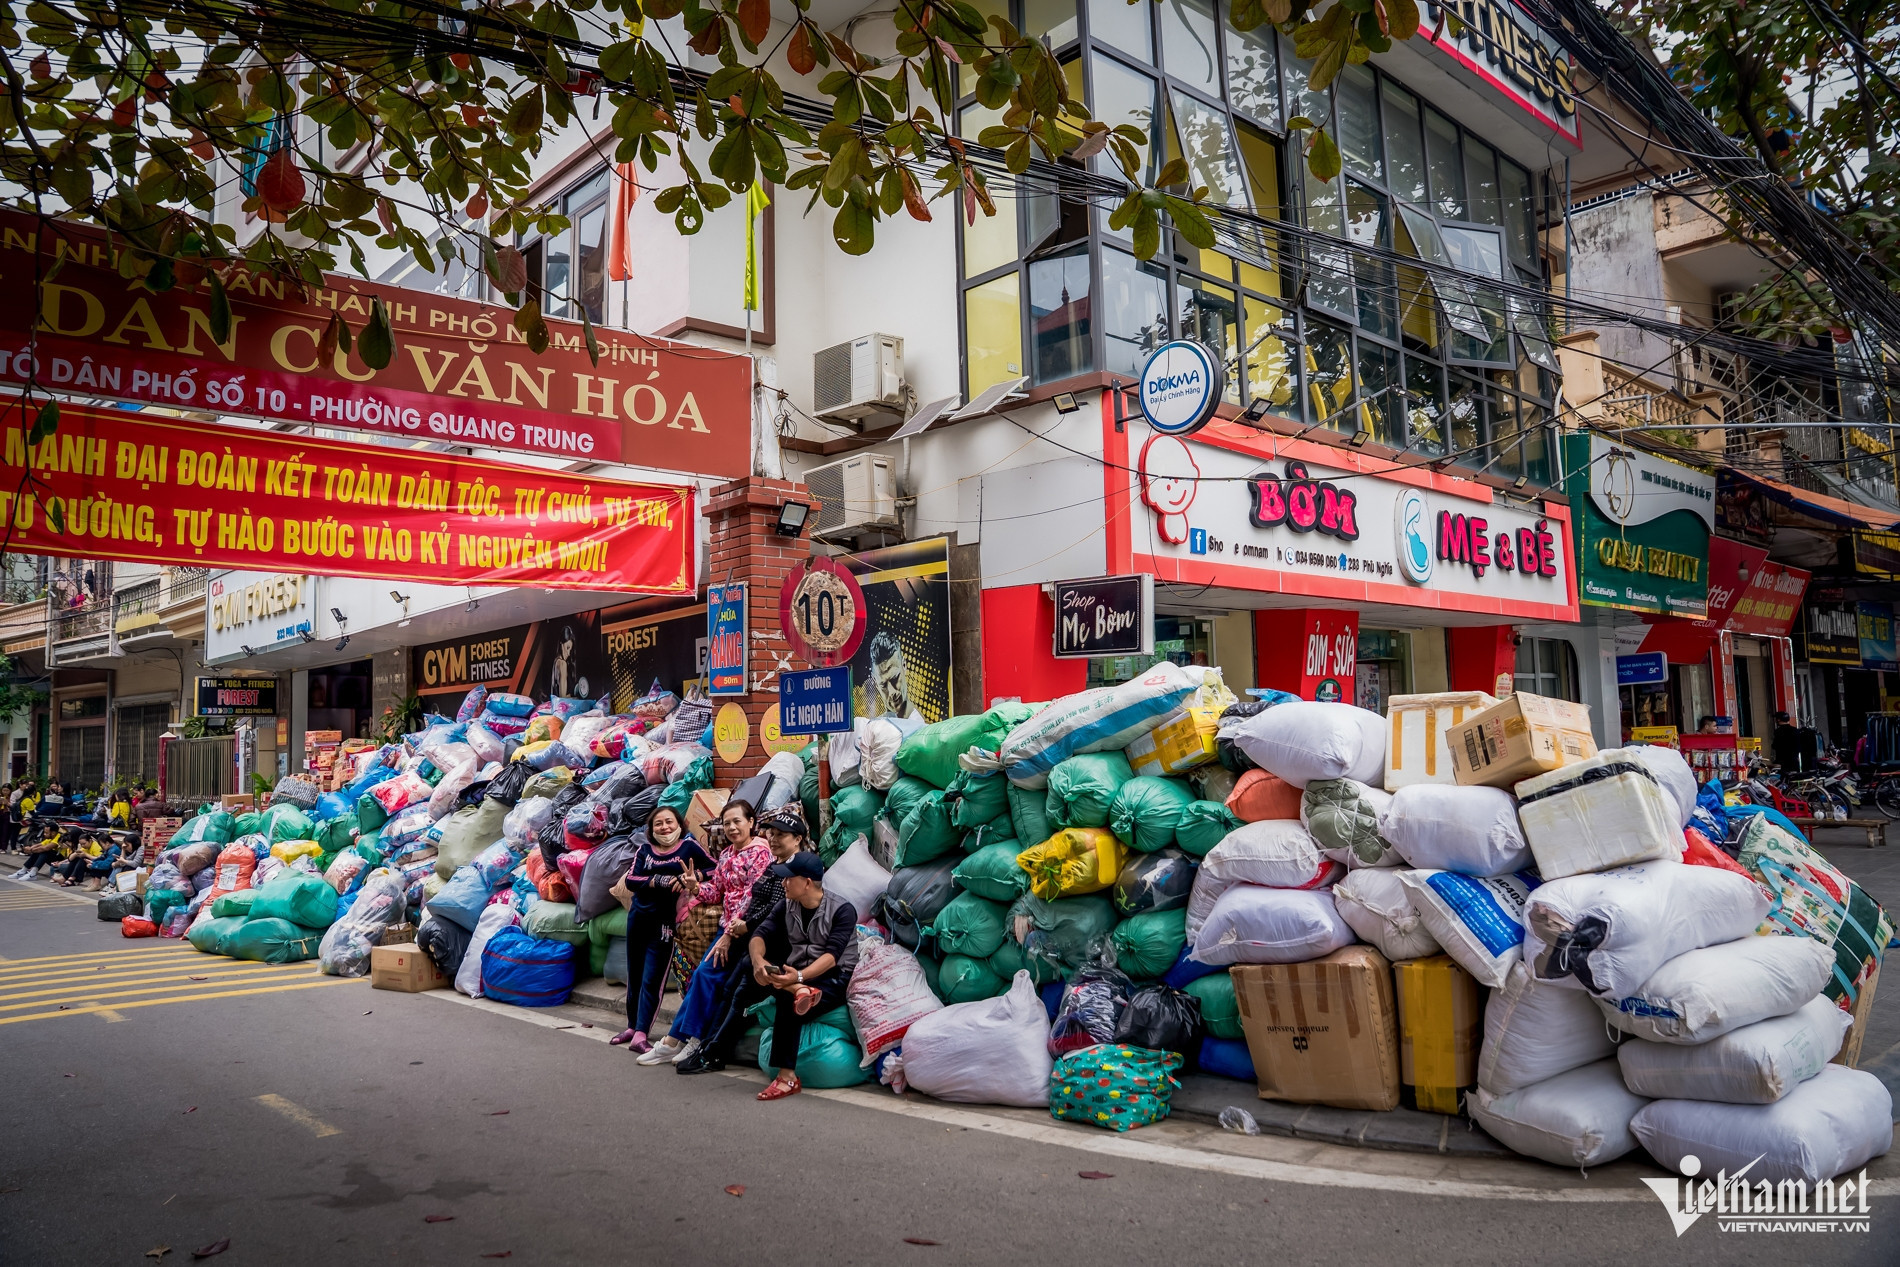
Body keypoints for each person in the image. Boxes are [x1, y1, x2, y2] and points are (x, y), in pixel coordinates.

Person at [685, 851, 860, 1101]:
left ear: (807, 882)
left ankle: (788, 1078)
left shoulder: (842, 910)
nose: (783, 883)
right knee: (752, 981)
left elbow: (832, 956)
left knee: (790, 1005)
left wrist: (799, 976)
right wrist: (759, 964)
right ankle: (716, 1050)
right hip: (798, 975)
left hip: (832, 977)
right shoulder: (786, 904)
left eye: (789, 879)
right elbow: (759, 936)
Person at [637, 801, 777, 1066]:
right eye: (727, 823)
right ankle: (678, 1040)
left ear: (751, 822)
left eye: (737, 821)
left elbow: (753, 898)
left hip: (747, 930)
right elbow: (718, 892)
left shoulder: (759, 853)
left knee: (707, 976)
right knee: (703, 978)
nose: (732, 827)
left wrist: (729, 934)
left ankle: (687, 1040)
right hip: (726, 929)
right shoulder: (726, 855)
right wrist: (697, 887)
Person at [609, 805, 714, 1055]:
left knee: (652, 978)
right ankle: (631, 1027)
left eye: (669, 822)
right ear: (651, 829)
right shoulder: (645, 850)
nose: (664, 827)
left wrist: (693, 877)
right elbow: (632, 879)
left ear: (679, 825)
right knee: (633, 973)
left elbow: (714, 868)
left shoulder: (689, 848)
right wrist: (657, 880)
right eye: (658, 824)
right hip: (638, 918)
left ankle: (643, 1032)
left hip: (665, 923)